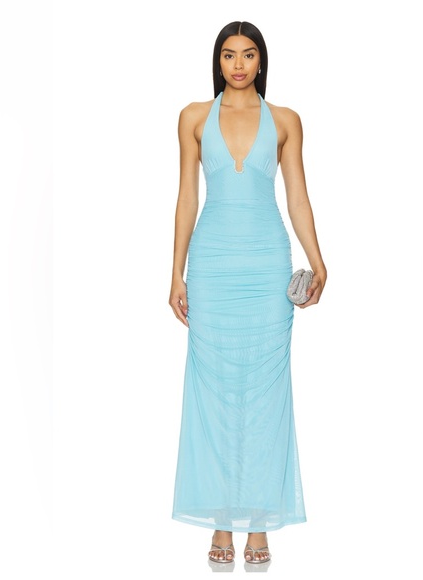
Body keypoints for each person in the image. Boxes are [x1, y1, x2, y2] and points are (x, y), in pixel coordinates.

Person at [168, 21, 327, 565]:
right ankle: (220, 521)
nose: (238, 64)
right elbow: (186, 198)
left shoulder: (285, 120)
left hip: (266, 268)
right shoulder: (193, 117)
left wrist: (318, 259)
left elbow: (298, 197)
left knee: (264, 392)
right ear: (218, 61)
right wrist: (176, 272)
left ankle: (258, 523)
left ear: (262, 60)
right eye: (229, 55)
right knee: (212, 392)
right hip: (211, 268)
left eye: (249, 54)